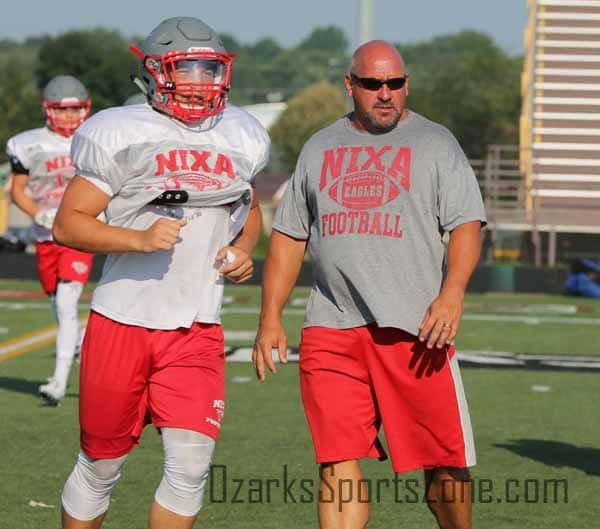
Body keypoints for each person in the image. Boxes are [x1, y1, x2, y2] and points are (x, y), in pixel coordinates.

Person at [253, 40, 486, 529]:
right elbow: (290, 236)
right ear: (350, 85)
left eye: (395, 83)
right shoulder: (319, 146)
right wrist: (270, 317)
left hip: (416, 330)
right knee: (337, 460)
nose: (385, 94)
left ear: (407, 84)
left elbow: (465, 223)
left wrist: (452, 291)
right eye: (372, 84)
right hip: (332, 331)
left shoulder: (436, 143)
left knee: (445, 464)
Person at [53, 17, 269, 529]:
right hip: (123, 321)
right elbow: (68, 225)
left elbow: (248, 206)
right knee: (101, 466)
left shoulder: (240, 134)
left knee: (190, 467)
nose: (199, 82)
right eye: (186, 68)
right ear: (153, 73)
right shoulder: (120, 131)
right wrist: (138, 239)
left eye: (209, 69)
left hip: (196, 327)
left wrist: (242, 247)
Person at [6, 75, 93, 405]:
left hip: (80, 232)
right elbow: (17, 189)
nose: (70, 117)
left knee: (67, 304)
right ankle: (86, 350)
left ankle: (58, 382)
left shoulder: (92, 140)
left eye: (75, 110)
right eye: (62, 110)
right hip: (46, 234)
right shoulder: (27, 143)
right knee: (57, 304)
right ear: (48, 110)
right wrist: (37, 212)